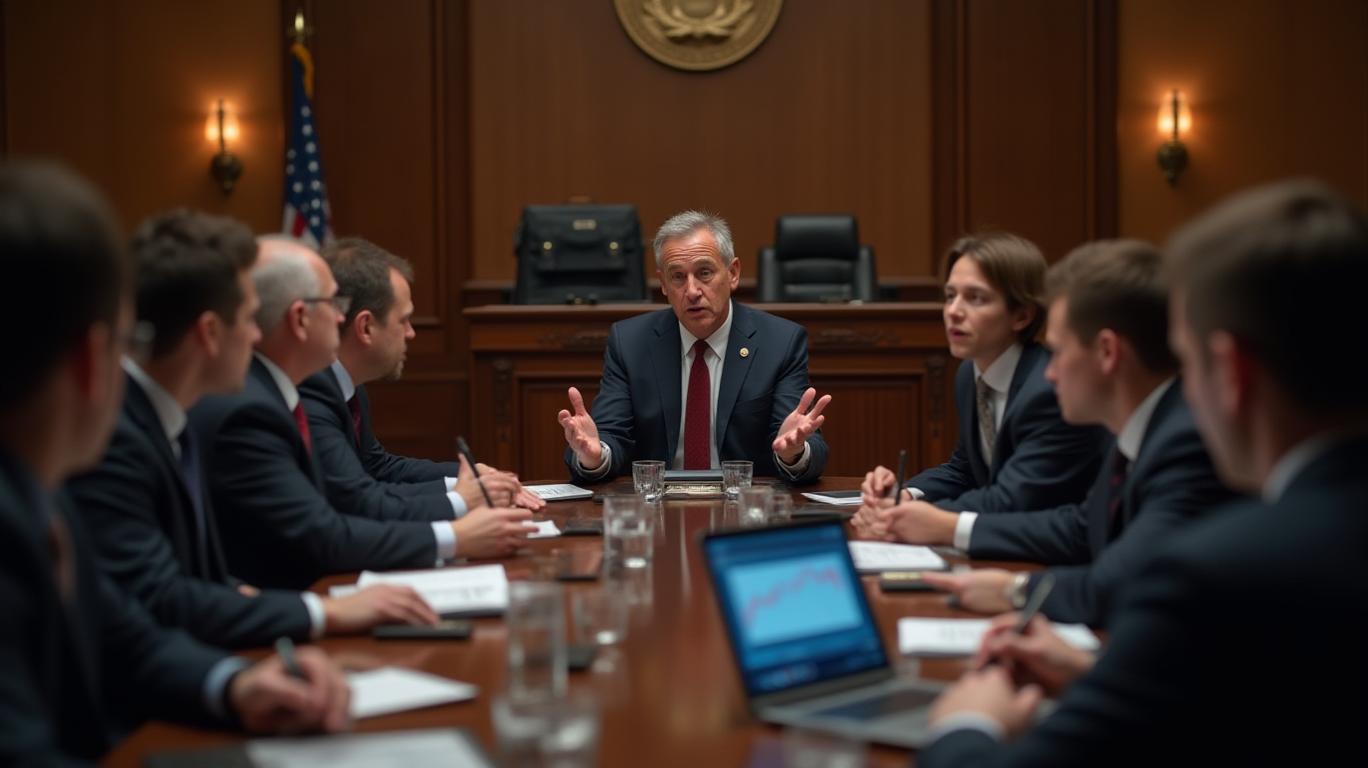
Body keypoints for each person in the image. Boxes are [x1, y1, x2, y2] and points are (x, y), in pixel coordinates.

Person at [919, 180, 1368, 766]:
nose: (1184, 392)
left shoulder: (1219, 571)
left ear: (1231, 371)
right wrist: (1091, 670)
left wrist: (966, 722)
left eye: (1187, 359)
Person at [0, 161, 350, 764]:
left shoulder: (41, 489)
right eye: (126, 341)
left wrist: (234, 685)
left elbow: (123, 633)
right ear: (91, 360)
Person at [66, 211, 438, 649]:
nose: (256, 334)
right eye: (248, 318)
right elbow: (156, 601)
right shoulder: (122, 435)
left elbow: (192, 578)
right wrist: (321, 613)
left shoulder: (171, 415)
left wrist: (244, 604)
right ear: (209, 332)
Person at [856, 240, 1233, 625]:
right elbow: (1081, 528)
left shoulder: (1185, 442)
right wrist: (935, 517)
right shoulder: (1140, 429)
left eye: (1059, 351)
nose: (1050, 373)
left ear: (1107, 352)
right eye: (950, 295)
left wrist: (1013, 589)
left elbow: (1119, 585)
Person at [190, 236, 535, 590]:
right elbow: (332, 521)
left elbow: (369, 471)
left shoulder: (288, 391)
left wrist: (465, 488)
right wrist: (456, 528)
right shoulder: (255, 409)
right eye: (333, 304)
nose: (342, 317)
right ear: (299, 318)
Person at [560, 210, 831, 484]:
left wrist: (793, 454)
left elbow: (802, 443)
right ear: (663, 284)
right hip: (657, 502)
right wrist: (596, 456)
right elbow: (610, 435)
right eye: (678, 277)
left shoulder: (780, 342)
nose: (692, 291)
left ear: (733, 273)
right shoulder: (630, 342)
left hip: (744, 503)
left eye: (705, 273)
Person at [299, 237, 544, 524]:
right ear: (366, 327)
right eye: (403, 320)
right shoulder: (312, 389)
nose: (411, 333)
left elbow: (376, 466)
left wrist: (471, 478)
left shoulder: (347, 382)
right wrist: (462, 503)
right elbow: (356, 500)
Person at [862, 233, 1106, 513]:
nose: (953, 312)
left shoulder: (1048, 390)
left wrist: (921, 517)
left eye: (975, 298)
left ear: (1022, 315)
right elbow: (964, 469)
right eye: (950, 296)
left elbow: (1016, 498)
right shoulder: (970, 374)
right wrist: (905, 494)